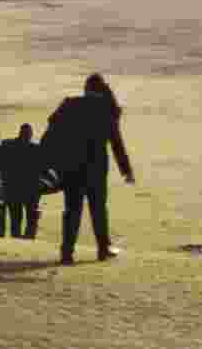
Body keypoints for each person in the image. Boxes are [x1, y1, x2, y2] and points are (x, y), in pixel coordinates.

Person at [42, 73, 135, 266]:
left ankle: (66, 252)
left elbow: (51, 127)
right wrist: (126, 170)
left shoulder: (69, 104)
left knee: (72, 209)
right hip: (96, 168)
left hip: (71, 166)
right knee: (98, 209)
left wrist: (47, 159)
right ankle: (103, 249)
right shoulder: (106, 110)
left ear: (85, 89)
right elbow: (116, 142)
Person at [0, 123, 43, 239]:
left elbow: (1, 164)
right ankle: (26, 237)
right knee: (27, 217)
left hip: (16, 189)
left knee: (18, 218)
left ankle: (20, 237)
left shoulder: (7, 146)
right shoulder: (36, 149)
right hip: (25, 189)